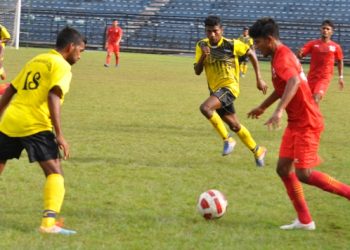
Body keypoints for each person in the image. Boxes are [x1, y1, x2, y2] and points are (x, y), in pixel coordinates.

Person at [248, 17, 350, 230]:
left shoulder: (283, 57)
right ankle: (305, 221)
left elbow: (293, 81)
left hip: (307, 122)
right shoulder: (277, 55)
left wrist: (278, 111)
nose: (256, 48)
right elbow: (282, 87)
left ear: (269, 39)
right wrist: (263, 107)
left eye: (257, 43)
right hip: (296, 122)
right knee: (283, 169)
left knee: (304, 173)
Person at [0, 26, 86, 235]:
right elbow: (53, 97)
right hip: (36, 124)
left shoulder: (36, 59)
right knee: (55, 172)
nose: (80, 56)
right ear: (70, 46)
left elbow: (10, 90)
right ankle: (48, 224)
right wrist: (59, 134)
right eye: (80, 51)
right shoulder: (62, 66)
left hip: (11, 121)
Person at [194, 15, 268, 167]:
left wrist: (259, 78)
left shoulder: (232, 44)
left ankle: (228, 139)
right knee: (235, 125)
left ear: (221, 30)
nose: (212, 35)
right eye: (209, 31)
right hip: (216, 91)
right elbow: (197, 71)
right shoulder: (201, 45)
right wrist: (203, 57)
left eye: (215, 31)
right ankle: (257, 150)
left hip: (229, 88)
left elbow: (251, 53)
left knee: (205, 108)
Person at [297, 20, 345, 104]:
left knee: (316, 97)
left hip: (324, 78)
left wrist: (341, 77)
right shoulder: (312, 44)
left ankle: (313, 117)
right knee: (306, 101)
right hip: (312, 77)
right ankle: (312, 116)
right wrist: (299, 53)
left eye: (328, 29)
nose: (325, 30)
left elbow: (340, 61)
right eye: (324, 28)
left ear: (331, 32)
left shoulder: (336, 47)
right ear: (320, 30)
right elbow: (301, 55)